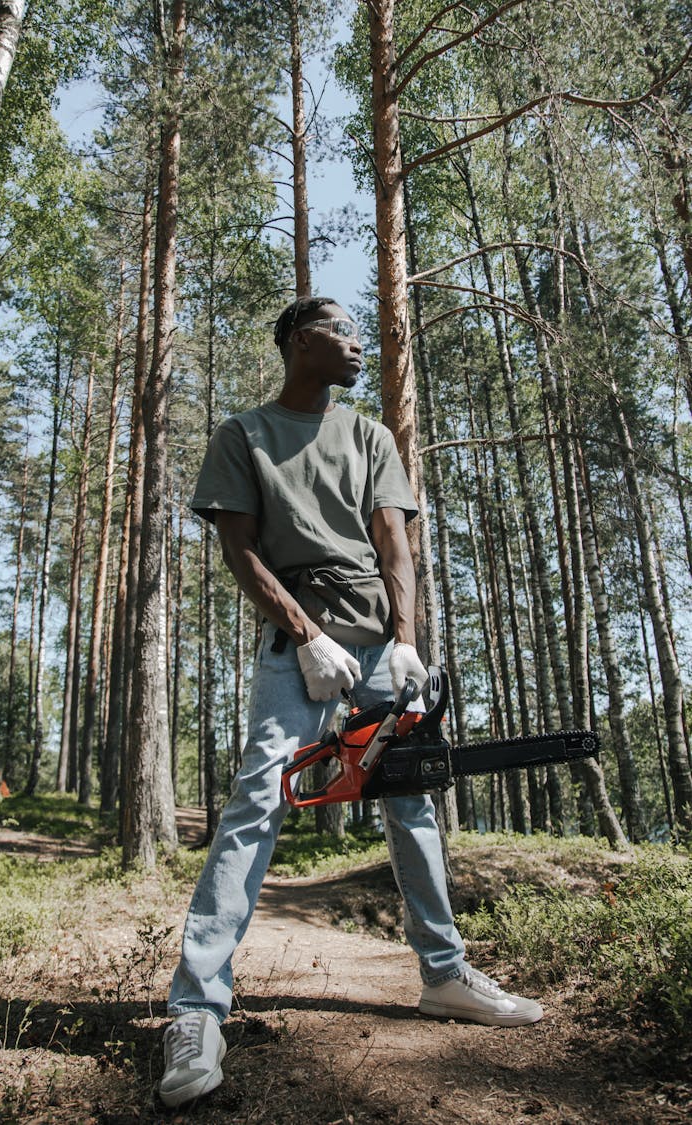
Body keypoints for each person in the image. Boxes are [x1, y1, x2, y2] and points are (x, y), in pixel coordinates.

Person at [159, 296, 543, 1110]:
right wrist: (303, 634)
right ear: (302, 341)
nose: (361, 343)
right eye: (343, 331)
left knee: (411, 800)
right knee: (260, 796)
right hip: (297, 648)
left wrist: (405, 639)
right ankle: (195, 1009)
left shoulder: (369, 434)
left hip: (378, 645)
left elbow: (394, 538)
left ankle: (444, 974)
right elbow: (239, 547)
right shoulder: (244, 436)